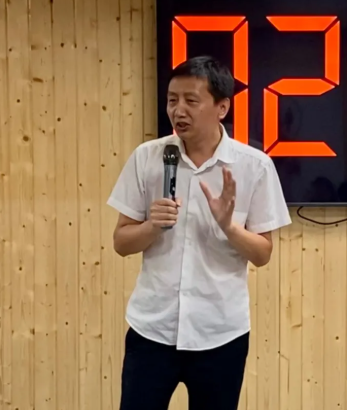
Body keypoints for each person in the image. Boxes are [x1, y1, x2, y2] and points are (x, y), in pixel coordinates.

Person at [107, 55, 292, 410]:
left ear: (222, 107)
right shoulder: (147, 158)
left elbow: (262, 254)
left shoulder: (254, 166)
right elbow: (121, 243)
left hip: (220, 334)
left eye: (191, 101)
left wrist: (229, 227)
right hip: (152, 329)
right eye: (172, 100)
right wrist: (151, 226)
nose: (178, 111)